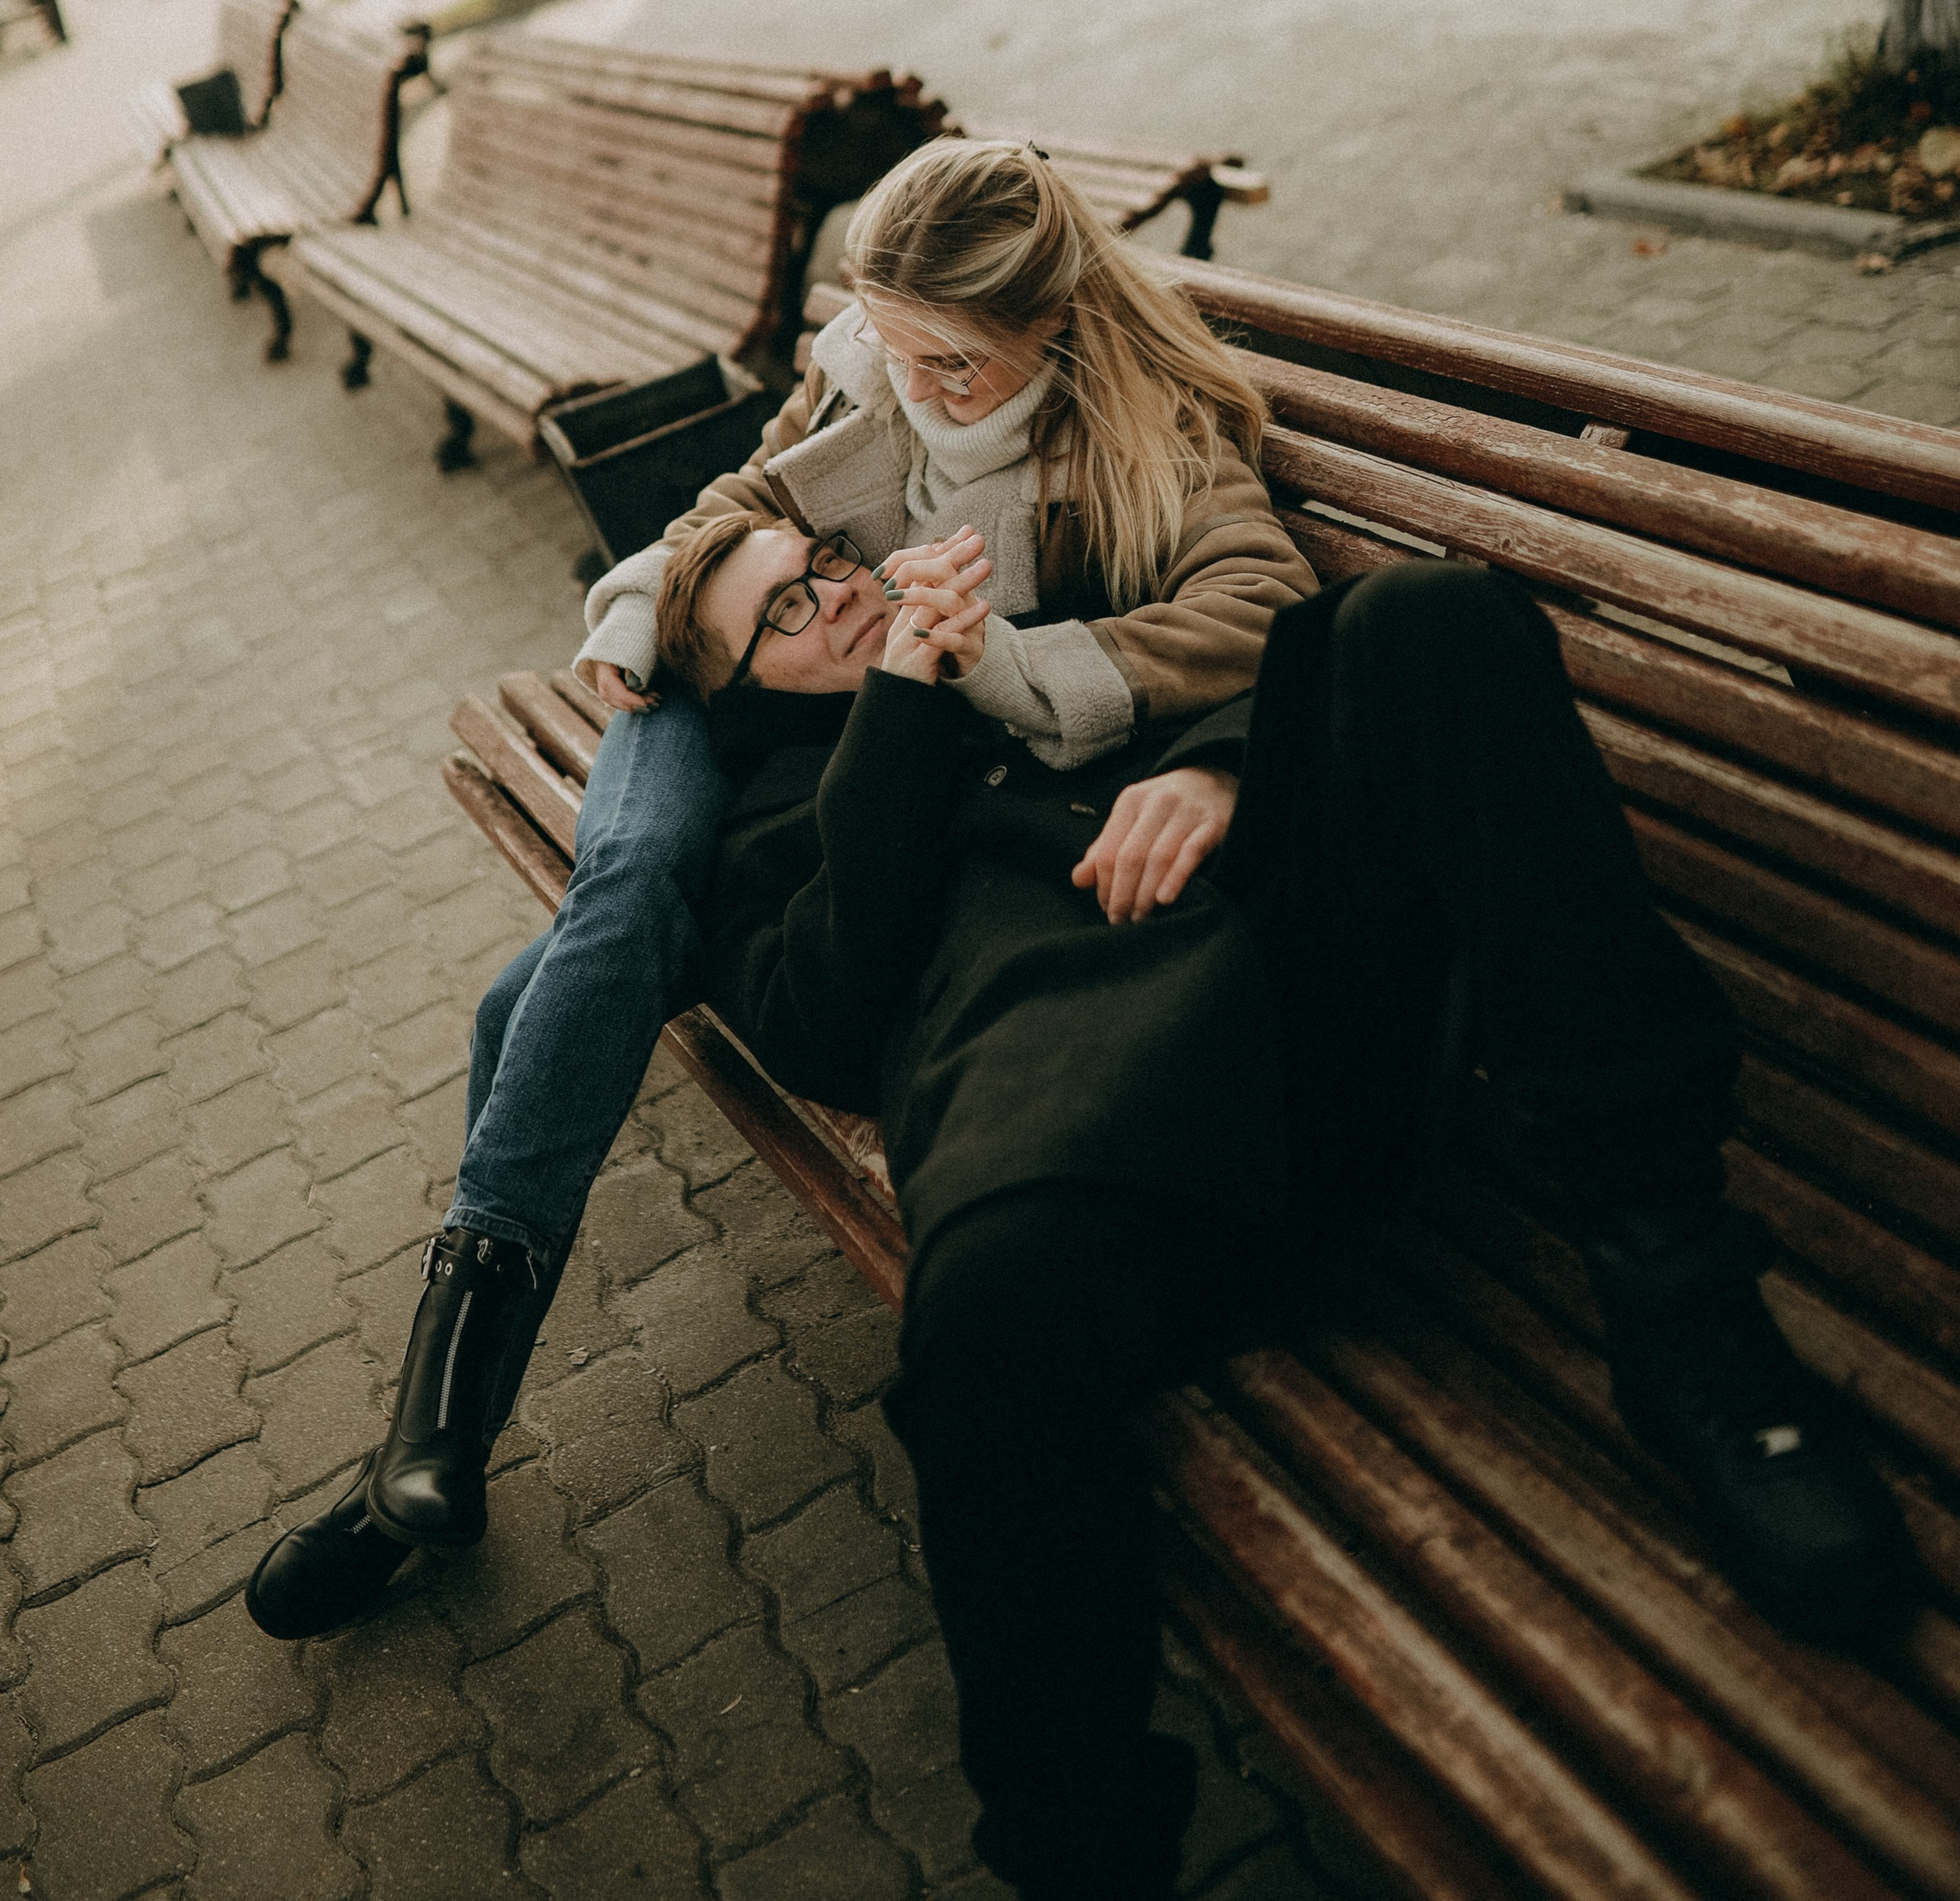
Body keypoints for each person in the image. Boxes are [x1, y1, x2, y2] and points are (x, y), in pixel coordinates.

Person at [636, 527, 1913, 1894]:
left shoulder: (1026, 648)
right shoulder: (773, 805)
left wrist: (1216, 767)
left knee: (1428, 619)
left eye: (826, 560)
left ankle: (1689, 1317)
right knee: (981, 1334)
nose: (838, 591)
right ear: (738, 695)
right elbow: (815, 1017)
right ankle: (1085, 1857)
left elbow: (1236, 672)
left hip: (1320, 996)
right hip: (1108, 1134)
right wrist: (894, 699)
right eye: (783, 609)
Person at [246, 137, 1320, 1634]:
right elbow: (736, 497)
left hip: (821, 705)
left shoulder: (1130, 436)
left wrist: (1001, 667)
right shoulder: (871, 368)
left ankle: (419, 1454)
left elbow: (1259, 604)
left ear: (1049, 329)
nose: (917, 389)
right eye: (898, 350)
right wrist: (644, 621)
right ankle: (428, 1443)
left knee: (538, 997)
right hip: (703, 689)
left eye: (958, 366)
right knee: (618, 913)